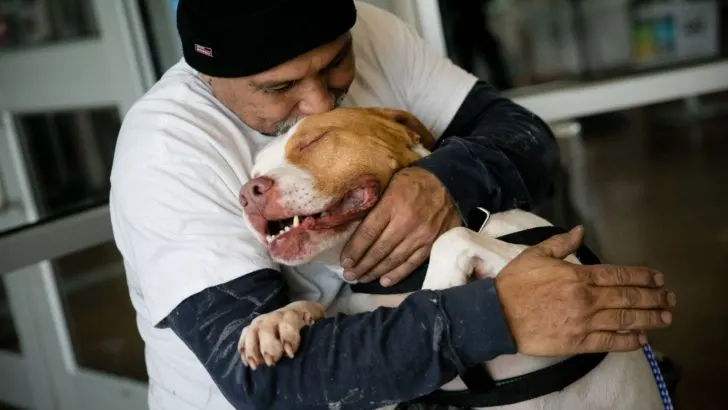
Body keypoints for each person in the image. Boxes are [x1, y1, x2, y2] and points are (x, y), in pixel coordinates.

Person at [108, 1, 675, 409]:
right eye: (278, 88)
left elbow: (526, 138)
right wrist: (500, 315)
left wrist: (445, 180)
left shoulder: (371, 28)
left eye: (334, 64)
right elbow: (267, 382)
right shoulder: (168, 149)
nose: (318, 101)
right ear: (210, 74)